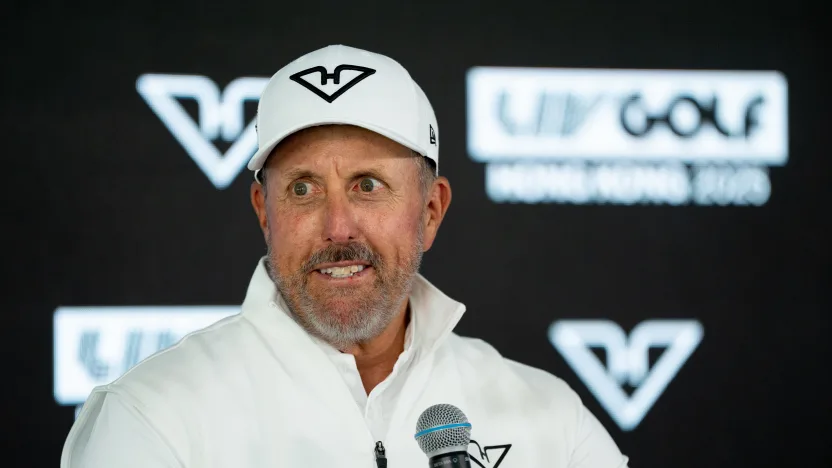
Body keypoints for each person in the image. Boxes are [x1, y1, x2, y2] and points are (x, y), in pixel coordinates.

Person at [60, 44, 629, 468]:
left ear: (430, 211)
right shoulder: (153, 419)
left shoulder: (551, 420)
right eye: (303, 189)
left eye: (368, 185)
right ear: (265, 212)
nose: (337, 227)